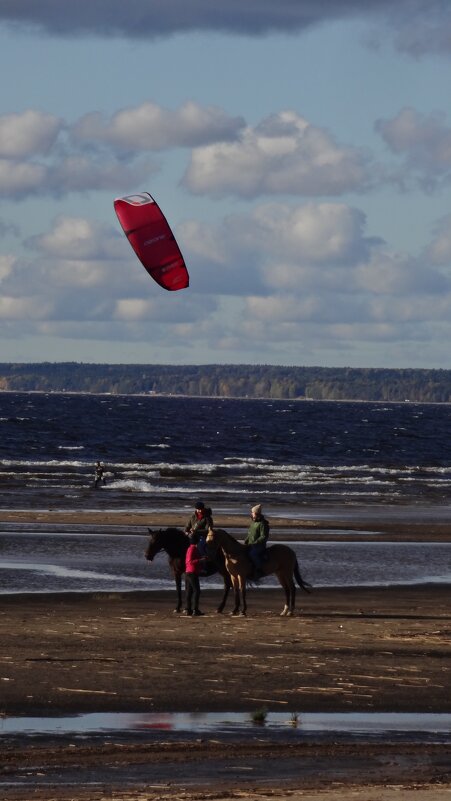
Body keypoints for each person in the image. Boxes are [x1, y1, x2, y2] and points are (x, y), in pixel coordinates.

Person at [244, 503, 269, 580]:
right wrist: (246, 540)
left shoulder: (263, 524)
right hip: (251, 544)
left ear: (256, 513)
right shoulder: (253, 523)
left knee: (252, 554)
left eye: (252, 513)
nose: (251, 514)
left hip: (259, 546)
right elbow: (250, 534)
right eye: (251, 512)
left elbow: (263, 536)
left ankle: (259, 569)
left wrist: (255, 542)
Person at [184, 532, 206, 616]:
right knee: (197, 591)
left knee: (189, 592)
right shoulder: (193, 549)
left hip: (189, 572)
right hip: (192, 573)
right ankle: (195, 610)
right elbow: (190, 561)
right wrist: (201, 560)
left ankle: (189, 609)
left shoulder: (190, 548)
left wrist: (200, 568)